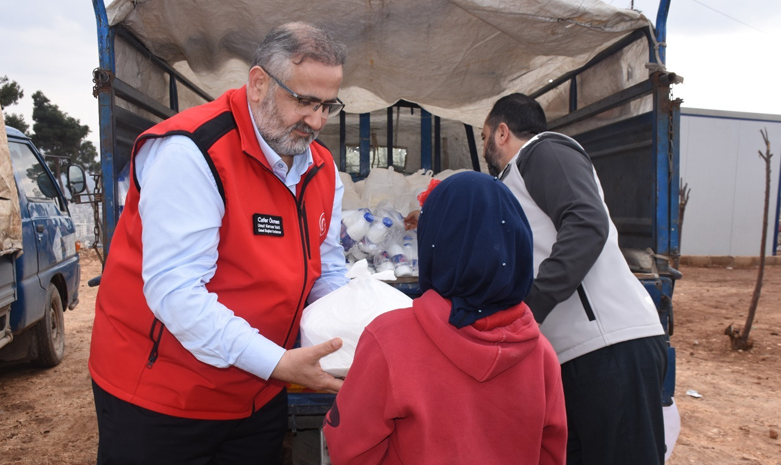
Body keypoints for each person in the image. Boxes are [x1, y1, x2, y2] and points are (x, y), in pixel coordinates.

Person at [88, 22, 350, 464]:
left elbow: (327, 268)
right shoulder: (193, 152)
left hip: (257, 392)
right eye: (303, 101)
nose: (317, 121)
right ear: (258, 84)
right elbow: (177, 293)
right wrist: (278, 364)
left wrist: (360, 325)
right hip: (162, 398)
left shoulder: (322, 169)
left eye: (328, 106)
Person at [323, 171, 567, 465]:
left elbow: (350, 449)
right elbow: (550, 455)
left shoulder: (389, 341)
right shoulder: (541, 354)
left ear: (433, 241)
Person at [482, 93, 668, 465]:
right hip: (577, 355)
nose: (484, 146)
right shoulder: (515, 181)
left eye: (483, 134)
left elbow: (586, 224)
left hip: (608, 347)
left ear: (502, 133)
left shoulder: (544, 151)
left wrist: (530, 309)